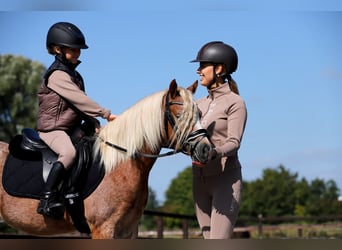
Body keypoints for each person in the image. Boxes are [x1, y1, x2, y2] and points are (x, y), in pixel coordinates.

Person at [36, 22, 116, 219]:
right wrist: (104, 114)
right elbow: (80, 99)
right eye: (73, 49)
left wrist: (94, 122)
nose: (78, 52)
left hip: (71, 128)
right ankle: (46, 198)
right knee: (69, 153)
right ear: (58, 49)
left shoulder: (75, 75)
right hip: (53, 130)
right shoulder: (57, 75)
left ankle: (75, 192)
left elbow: (78, 106)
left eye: (79, 49)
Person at [190, 41, 247, 239]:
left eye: (203, 65)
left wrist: (215, 152)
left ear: (219, 68)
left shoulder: (235, 102)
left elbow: (234, 142)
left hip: (226, 182)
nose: (198, 71)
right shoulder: (198, 104)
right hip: (199, 182)